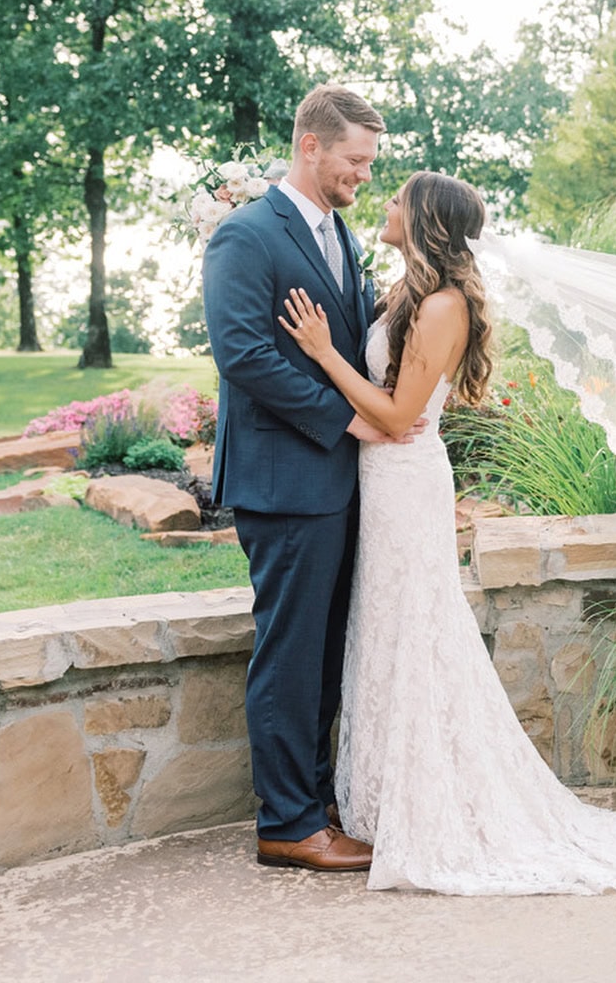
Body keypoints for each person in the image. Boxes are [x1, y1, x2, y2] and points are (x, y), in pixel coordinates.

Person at [277, 169, 616, 894]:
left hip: (405, 485)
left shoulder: (444, 307)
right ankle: (381, 797)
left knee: (417, 629)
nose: (386, 205)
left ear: (425, 219)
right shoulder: (405, 295)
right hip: (379, 485)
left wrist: (322, 352)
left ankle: (438, 805)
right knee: (387, 629)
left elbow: (398, 419)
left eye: (398, 199)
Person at [202, 84, 416, 873]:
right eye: (355, 160)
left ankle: (316, 802)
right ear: (311, 147)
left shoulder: (340, 234)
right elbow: (244, 355)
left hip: (340, 481)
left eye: (369, 162)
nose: (363, 174)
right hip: (284, 478)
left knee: (326, 650)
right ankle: (287, 823)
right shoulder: (246, 236)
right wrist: (347, 419)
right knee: (291, 652)